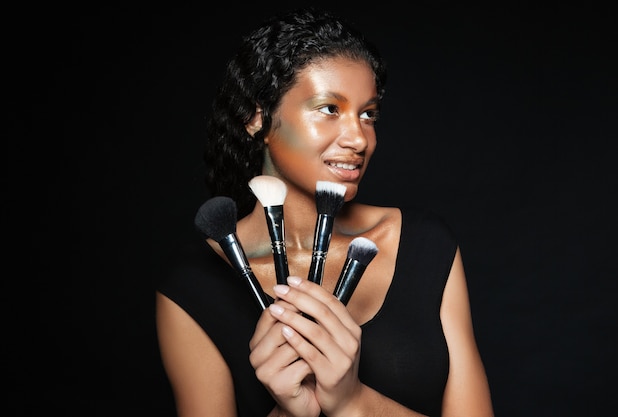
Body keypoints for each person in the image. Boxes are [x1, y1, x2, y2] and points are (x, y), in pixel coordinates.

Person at [156, 7, 494, 417]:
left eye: (368, 114)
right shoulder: (196, 286)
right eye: (329, 108)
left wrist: (352, 401)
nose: (358, 138)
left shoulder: (425, 246)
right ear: (256, 117)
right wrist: (288, 411)